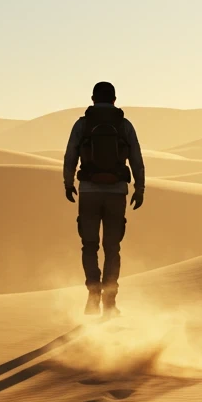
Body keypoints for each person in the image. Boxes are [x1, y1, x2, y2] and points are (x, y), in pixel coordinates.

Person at [63, 81, 145, 318]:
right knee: (112, 247)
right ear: (114, 99)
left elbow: (70, 155)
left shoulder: (83, 124)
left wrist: (68, 184)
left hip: (88, 191)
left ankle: (93, 293)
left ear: (92, 98)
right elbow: (137, 159)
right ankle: (109, 301)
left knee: (89, 245)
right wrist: (140, 188)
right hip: (117, 192)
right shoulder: (124, 125)